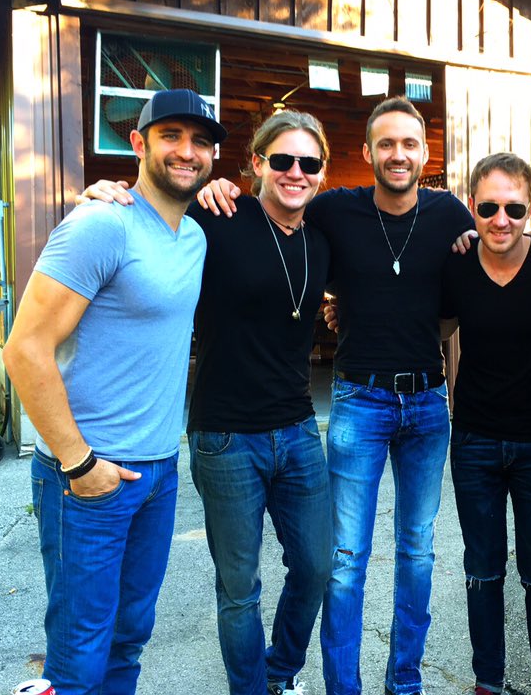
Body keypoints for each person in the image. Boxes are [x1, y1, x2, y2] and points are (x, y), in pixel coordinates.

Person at [199, 95, 473, 695]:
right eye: (386, 144)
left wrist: (483, 232)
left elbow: (470, 282)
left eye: (409, 144)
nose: (397, 154)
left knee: (416, 553)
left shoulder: (452, 215)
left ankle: (405, 681)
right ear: (366, 152)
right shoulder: (331, 212)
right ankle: (339, 687)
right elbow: (241, 220)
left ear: (424, 153)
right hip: (356, 401)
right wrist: (205, 188)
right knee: (342, 561)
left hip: (427, 403)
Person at [79, 110, 335, 695]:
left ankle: (279, 674)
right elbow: (146, 207)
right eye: (282, 160)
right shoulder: (215, 215)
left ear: (320, 173)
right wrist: (101, 192)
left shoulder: (322, 239)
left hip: (298, 432)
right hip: (225, 438)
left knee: (318, 568)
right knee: (239, 588)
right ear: (255, 164)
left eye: (309, 163)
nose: (296, 172)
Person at [2, 88, 223, 694]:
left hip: (158, 472)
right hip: (89, 477)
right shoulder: (101, 223)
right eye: (171, 136)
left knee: (129, 640)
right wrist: (81, 464)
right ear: (138, 144)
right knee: (78, 652)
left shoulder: (195, 238)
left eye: (201, 141)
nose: (187, 151)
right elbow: (23, 349)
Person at [441, 153, 531, 695]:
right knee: (483, 570)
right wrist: (342, 315)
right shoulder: (457, 265)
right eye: (489, 206)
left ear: (529, 208)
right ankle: (488, 681)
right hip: (473, 442)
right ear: (473, 206)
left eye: (513, 208)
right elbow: (422, 323)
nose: (501, 219)